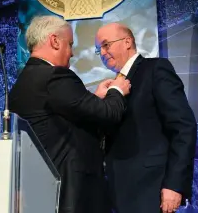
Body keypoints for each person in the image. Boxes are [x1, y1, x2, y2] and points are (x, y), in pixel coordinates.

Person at [9, 15, 131, 213]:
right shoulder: (54, 76)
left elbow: (63, 115)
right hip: (71, 193)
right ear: (55, 41)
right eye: (70, 44)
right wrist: (117, 90)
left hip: (41, 192)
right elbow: (109, 113)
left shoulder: (23, 83)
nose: (72, 53)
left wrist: (93, 98)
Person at [95, 22, 197, 213]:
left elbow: (183, 127)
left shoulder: (156, 69)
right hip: (117, 192)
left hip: (152, 190)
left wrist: (174, 184)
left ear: (127, 42)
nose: (102, 53)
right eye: (98, 49)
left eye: (106, 45)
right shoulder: (110, 88)